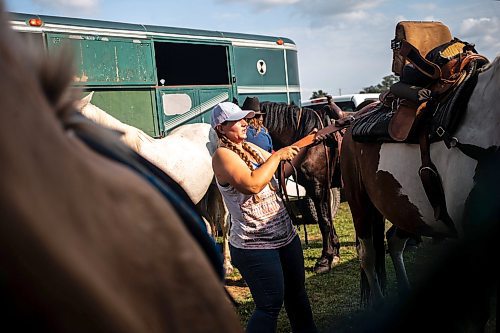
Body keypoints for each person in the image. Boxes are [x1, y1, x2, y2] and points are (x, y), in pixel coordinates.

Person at [210, 101, 318, 333]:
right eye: (237, 121)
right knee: (269, 305)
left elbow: (280, 173)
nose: (244, 123)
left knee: (297, 295)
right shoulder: (222, 155)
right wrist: (278, 155)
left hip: (285, 236)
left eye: (244, 119)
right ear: (221, 128)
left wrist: (309, 142)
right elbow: (252, 184)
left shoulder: (250, 148)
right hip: (254, 244)